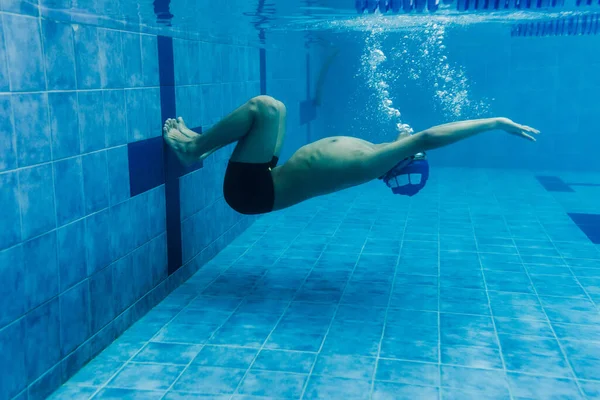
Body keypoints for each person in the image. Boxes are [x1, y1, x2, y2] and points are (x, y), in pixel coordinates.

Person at [163, 95, 539, 215]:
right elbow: (413, 136)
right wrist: (403, 136)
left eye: (414, 151)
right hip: (265, 178)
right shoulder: (379, 154)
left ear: (401, 163)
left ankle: (193, 149)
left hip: (252, 194)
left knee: (266, 109)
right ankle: (206, 146)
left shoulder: (370, 163)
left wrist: (495, 122)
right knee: (278, 107)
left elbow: (428, 136)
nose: (413, 143)